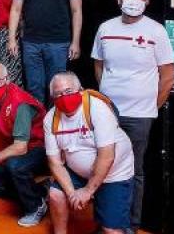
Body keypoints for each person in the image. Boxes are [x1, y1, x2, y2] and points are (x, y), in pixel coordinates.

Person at [91, 0, 174, 231]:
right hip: (108, 114)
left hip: (140, 116)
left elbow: (168, 77)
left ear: (147, 2)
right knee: (103, 167)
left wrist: (150, 108)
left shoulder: (156, 31)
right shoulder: (105, 28)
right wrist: (108, 98)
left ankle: (130, 224)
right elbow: (99, 66)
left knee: (133, 171)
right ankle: (106, 223)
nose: (134, 0)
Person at [45, 71, 135, 234]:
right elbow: (55, 163)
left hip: (113, 173)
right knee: (55, 195)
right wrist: (72, 193)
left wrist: (87, 191)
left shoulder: (97, 108)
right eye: (58, 94)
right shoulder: (50, 118)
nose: (64, 97)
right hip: (78, 171)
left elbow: (107, 157)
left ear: (80, 90)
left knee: (111, 230)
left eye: (69, 91)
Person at [0, 62, 50, 227]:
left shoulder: (20, 103)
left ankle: (36, 207)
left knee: (15, 165)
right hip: (18, 149)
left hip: (40, 149)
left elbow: (21, 147)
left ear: (7, 79)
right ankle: (42, 192)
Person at [8, 0, 82, 106]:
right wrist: (11, 38)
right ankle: (38, 130)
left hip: (59, 43)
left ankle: (54, 129)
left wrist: (75, 42)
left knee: (57, 89)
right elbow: (16, 9)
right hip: (31, 43)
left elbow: (77, 10)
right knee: (34, 88)